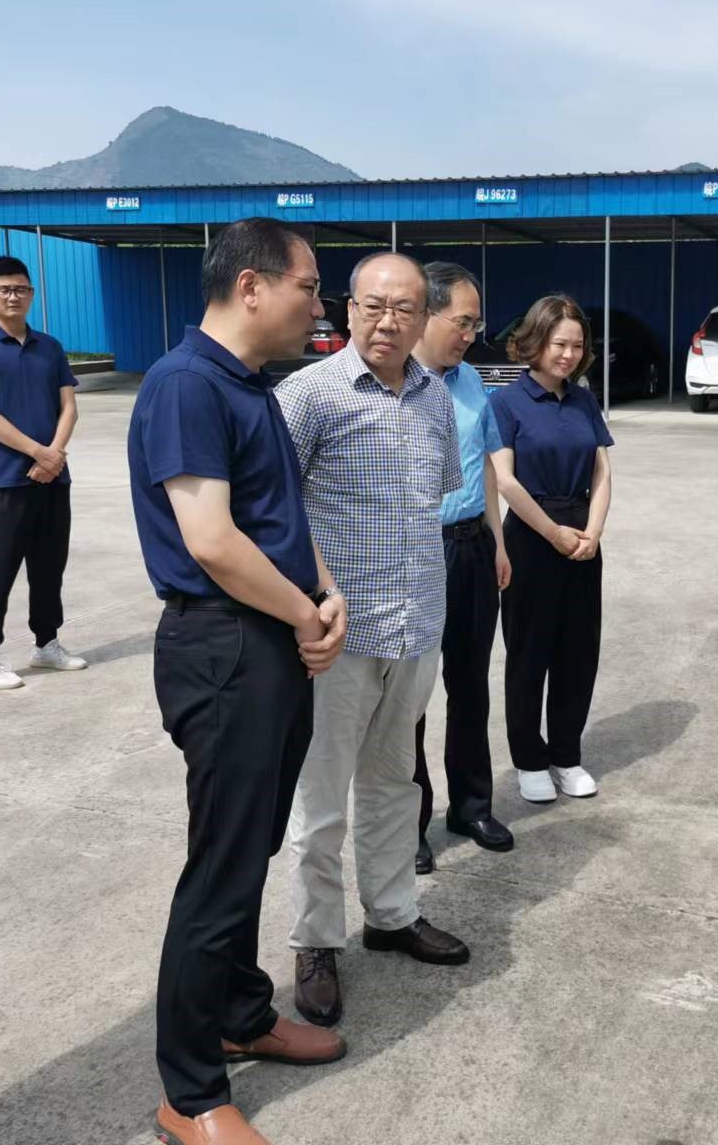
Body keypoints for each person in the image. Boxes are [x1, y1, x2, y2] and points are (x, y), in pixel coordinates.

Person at [128, 218, 350, 1145]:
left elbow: (279, 516)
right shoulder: (186, 384)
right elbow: (212, 541)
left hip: (271, 639)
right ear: (251, 285)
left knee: (248, 846)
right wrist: (303, 615)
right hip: (224, 647)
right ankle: (189, 1094)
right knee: (220, 868)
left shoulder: (251, 385)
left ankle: (241, 1013)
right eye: (310, 287)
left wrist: (324, 594)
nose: (320, 307)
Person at [277, 250, 471, 1030]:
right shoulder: (307, 395)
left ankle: (392, 915)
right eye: (373, 305)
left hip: (417, 625)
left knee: (396, 784)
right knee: (321, 799)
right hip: (338, 636)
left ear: (424, 318)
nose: (388, 321)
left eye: (404, 308)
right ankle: (315, 941)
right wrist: (312, 601)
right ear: (347, 309)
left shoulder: (436, 400)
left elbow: (434, 501)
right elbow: (273, 510)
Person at [410, 262, 514, 875]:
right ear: (426, 314)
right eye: (464, 322)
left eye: (477, 323)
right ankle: (409, 823)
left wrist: (497, 542)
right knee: (410, 695)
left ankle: (471, 806)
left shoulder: (472, 379)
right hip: (417, 553)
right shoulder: (396, 383)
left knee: (470, 684)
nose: (472, 334)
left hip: (473, 547)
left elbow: (487, 468)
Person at [489, 294, 614, 805]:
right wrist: (552, 533)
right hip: (531, 535)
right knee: (529, 652)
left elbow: (602, 472)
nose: (568, 354)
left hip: (582, 537)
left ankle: (566, 754)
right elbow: (504, 479)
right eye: (559, 343)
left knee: (578, 653)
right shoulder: (506, 402)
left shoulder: (583, 399)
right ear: (536, 341)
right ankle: (529, 759)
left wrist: (593, 531)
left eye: (577, 346)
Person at [0, 256, 87, 689]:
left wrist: (54, 455)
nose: (14, 296)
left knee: (49, 567)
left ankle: (46, 643)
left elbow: (69, 406)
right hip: (4, 478)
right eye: (5, 289)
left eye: (21, 289)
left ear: (32, 294)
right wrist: (38, 453)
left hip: (53, 477)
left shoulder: (50, 347)